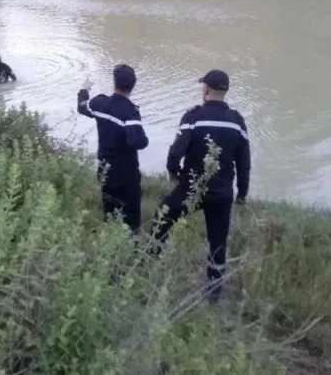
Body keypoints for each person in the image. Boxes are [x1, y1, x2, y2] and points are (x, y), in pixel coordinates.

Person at [153, 69, 251, 304]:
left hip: (191, 189)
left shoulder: (193, 116)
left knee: (163, 215)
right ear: (225, 91)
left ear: (206, 89)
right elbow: (244, 162)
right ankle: (214, 291)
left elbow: (175, 153)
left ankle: (150, 262)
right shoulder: (238, 121)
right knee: (218, 240)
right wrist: (242, 193)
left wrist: (174, 173)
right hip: (222, 192)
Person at [77, 64, 148, 233]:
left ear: (114, 82)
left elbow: (81, 106)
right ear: (133, 85)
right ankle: (131, 246)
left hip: (105, 168)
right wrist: (144, 138)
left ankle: (110, 241)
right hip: (127, 174)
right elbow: (137, 142)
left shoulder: (99, 103)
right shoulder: (130, 112)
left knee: (109, 211)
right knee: (131, 217)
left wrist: (84, 88)